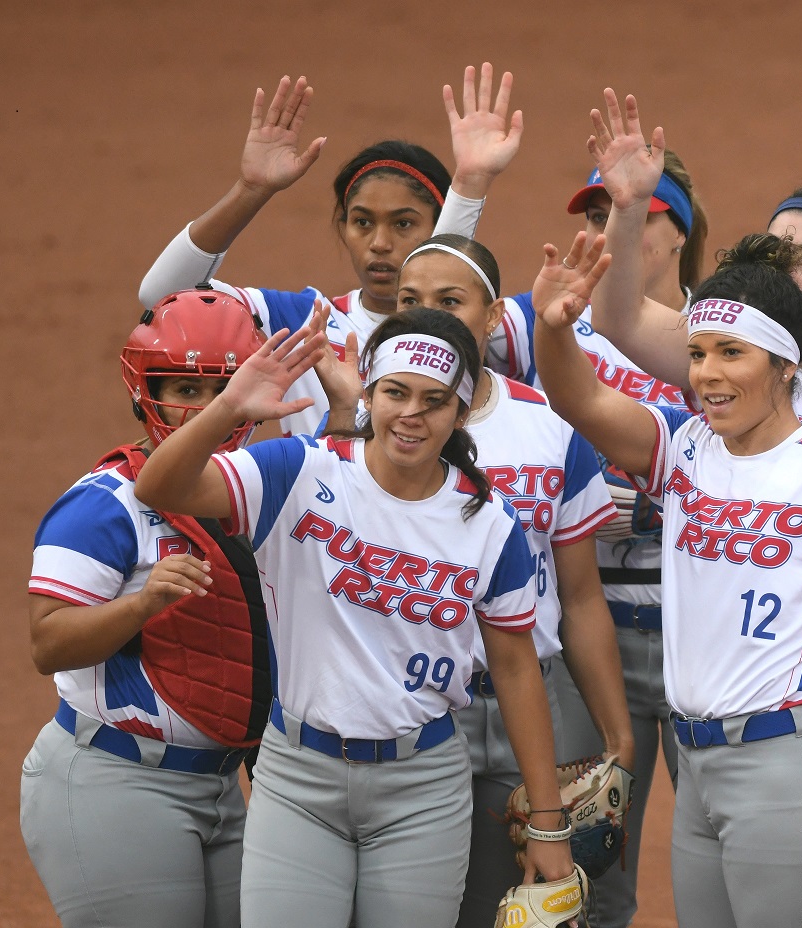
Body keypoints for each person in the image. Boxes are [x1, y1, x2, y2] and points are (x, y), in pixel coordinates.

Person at [131, 307, 574, 928]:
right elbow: (158, 487)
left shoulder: (489, 524)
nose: (412, 413)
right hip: (297, 778)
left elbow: (516, 669)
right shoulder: (295, 471)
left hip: (423, 789)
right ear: (368, 394)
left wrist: (549, 825)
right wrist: (227, 408)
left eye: (434, 401)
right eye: (395, 392)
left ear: (461, 412)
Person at [532, 229, 802, 928]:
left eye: (731, 353)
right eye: (698, 353)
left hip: (788, 772)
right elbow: (579, 400)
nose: (707, 374)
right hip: (699, 773)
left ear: (785, 363)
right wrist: (554, 330)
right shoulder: (684, 448)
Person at [577, 90, 802, 787]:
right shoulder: (735, 358)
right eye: (778, 257)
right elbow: (618, 317)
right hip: (740, 687)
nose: (789, 272)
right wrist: (627, 211)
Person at [317, 234, 634, 928]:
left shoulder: (551, 423)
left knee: (531, 903)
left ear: (492, 318)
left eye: (450, 300)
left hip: (532, 701)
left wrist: (619, 735)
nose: (429, 313)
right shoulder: (376, 427)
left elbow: (581, 597)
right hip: (422, 706)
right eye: (409, 300)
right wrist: (343, 420)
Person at [479, 130, 710, 928]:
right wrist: (469, 186)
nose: (610, 231)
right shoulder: (542, 321)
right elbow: (434, 313)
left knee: (717, 848)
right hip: (590, 633)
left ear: (677, 231)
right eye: (595, 214)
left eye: (635, 213)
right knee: (587, 864)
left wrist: (656, 499)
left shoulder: (720, 337)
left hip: (697, 631)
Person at [22, 288, 271, 927]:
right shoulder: (104, 503)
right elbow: (48, 643)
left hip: (223, 787)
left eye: (221, 390)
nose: (203, 410)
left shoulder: (260, 491)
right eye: (184, 389)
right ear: (146, 392)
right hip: (117, 780)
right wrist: (142, 603)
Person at [137, 66, 522, 436]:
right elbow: (165, 297)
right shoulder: (306, 323)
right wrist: (250, 190)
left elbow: (443, 301)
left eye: (403, 223)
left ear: (438, 225)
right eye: (363, 222)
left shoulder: (479, 320)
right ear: (343, 227)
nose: (379, 243)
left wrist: (470, 186)